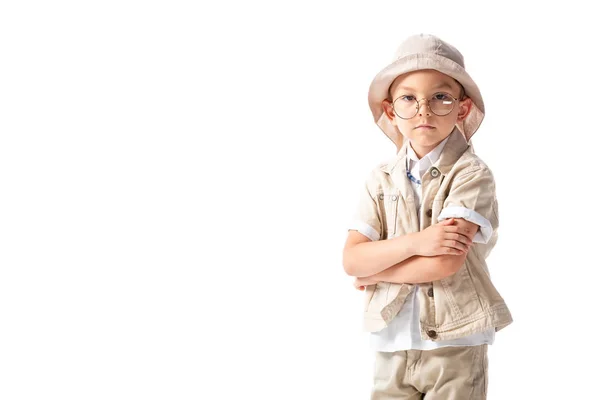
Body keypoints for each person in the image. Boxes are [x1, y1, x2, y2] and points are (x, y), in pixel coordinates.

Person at [342, 34, 513, 399]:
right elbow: (352, 258)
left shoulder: (470, 174)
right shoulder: (380, 178)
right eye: (408, 98)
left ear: (462, 109)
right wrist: (419, 242)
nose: (423, 110)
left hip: (455, 340)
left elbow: (445, 262)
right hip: (391, 339)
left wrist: (376, 271)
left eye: (440, 97)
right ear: (391, 110)